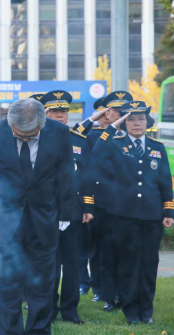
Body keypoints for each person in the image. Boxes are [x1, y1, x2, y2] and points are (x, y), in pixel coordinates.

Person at [0, 98, 75, 335]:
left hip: (44, 216)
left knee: (42, 283)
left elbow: (65, 173)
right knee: (7, 284)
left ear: (42, 125)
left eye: (30, 135)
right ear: (10, 123)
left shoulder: (60, 132)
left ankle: (39, 330)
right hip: (5, 218)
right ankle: (10, 332)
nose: (23, 139)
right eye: (18, 134)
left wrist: (65, 212)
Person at [92, 101, 174, 325]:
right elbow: (96, 153)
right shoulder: (115, 144)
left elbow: (165, 181)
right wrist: (113, 125)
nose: (136, 123)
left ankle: (146, 311)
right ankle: (131, 313)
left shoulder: (157, 146)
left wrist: (168, 211)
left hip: (152, 216)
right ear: (124, 122)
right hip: (123, 215)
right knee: (128, 265)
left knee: (148, 265)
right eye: (130, 118)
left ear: (147, 122)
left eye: (140, 119)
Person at [39, 91, 95, 325]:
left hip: (72, 211)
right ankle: (48, 308)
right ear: (44, 113)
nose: (59, 115)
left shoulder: (79, 139)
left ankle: (70, 310)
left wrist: (88, 206)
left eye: (63, 111)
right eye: (54, 111)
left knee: (72, 264)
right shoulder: (34, 136)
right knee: (47, 263)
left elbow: (88, 176)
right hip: (43, 211)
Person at [80, 91, 133, 311]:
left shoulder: (133, 136)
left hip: (127, 202)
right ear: (107, 113)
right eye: (113, 111)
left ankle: (122, 291)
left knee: (124, 250)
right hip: (101, 201)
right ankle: (100, 290)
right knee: (99, 249)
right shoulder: (94, 136)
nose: (117, 114)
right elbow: (75, 134)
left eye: (122, 111)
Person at [77, 96, 108, 299]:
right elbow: (74, 133)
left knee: (107, 249)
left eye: (112, 112)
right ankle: (86, 284)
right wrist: (91, 120)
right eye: (103, 113)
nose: (108, 116)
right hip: (93, 199)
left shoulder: (126, 135)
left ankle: (105, 288)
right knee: (87, 247)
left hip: (115, 201)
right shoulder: (90, 135)